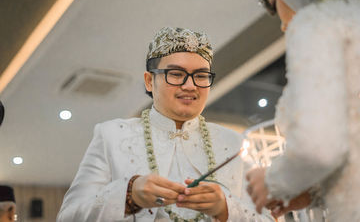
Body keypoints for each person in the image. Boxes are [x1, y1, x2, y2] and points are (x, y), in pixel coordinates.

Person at [57, 27, 274, 221]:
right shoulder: (112, 135)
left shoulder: (234, 144)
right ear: (150, 81)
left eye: (201, 76)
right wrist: (128, 194)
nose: (190, 86)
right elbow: (68, 216)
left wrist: (226, 209)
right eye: (176, 74)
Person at [245, 0, 360, 221]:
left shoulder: (320, 27)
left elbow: (319, 150)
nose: (282, 24)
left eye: (274, 1)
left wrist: (272, 180)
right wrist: (315, 191)